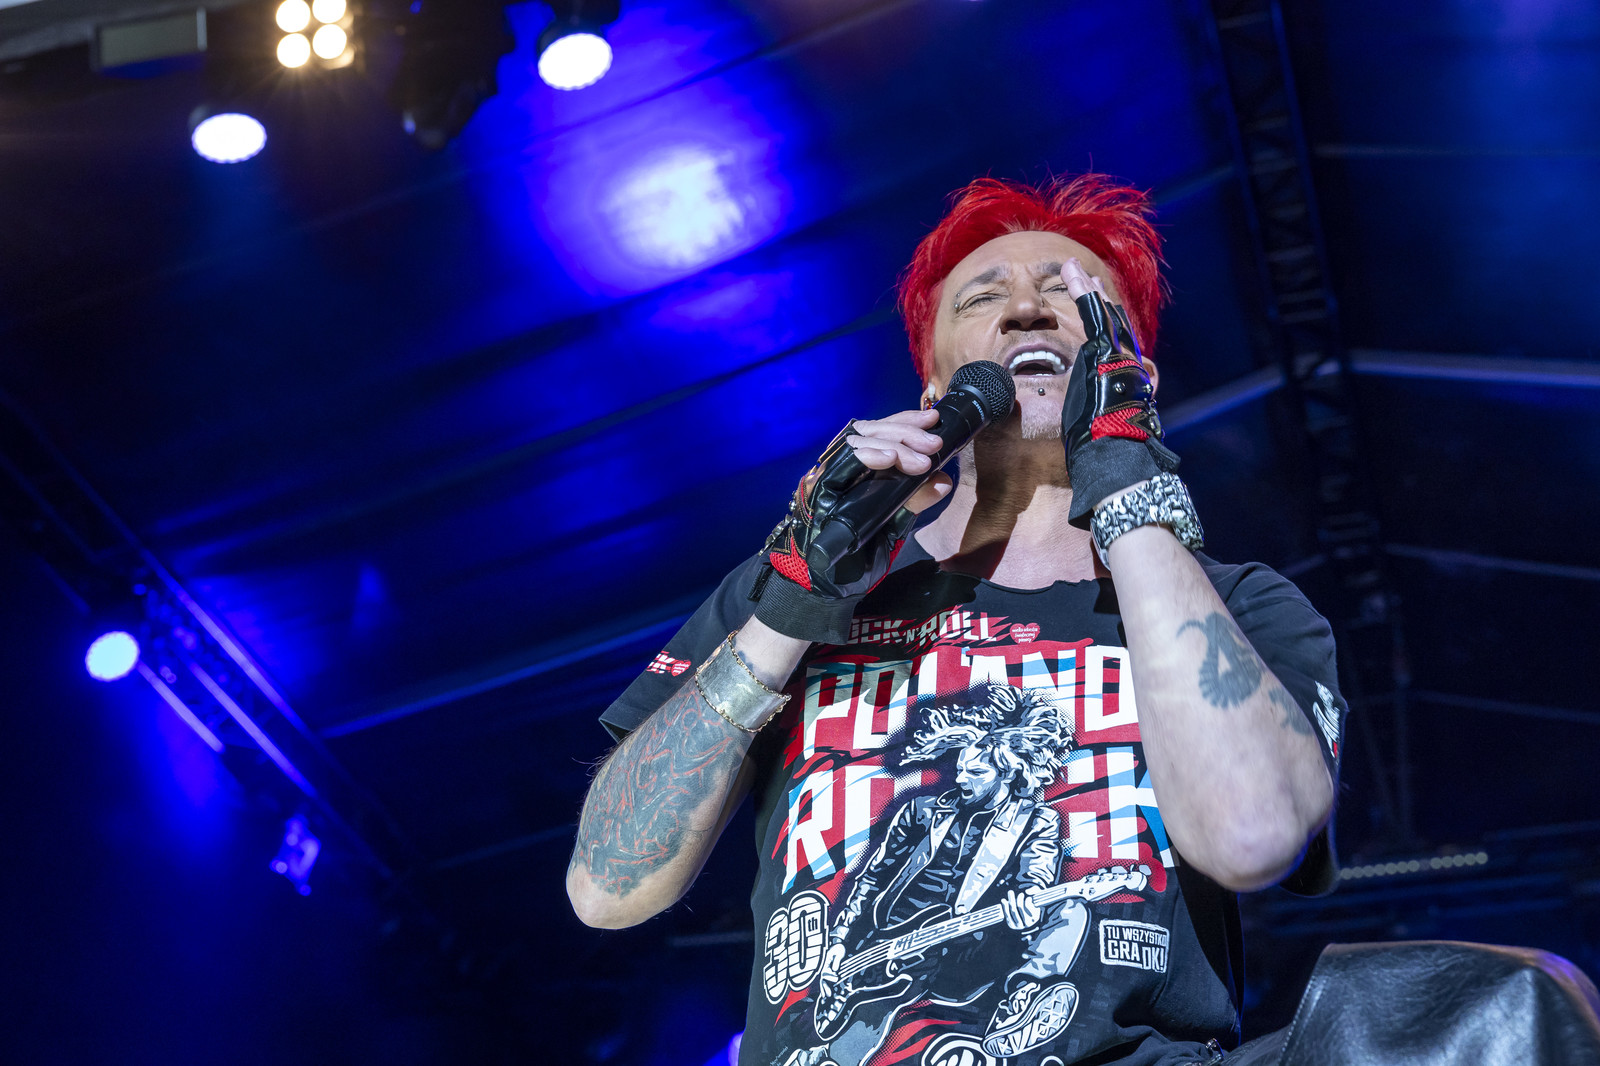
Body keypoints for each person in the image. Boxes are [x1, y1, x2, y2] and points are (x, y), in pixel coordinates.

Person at [567, 175, 1346, 1066]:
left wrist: (1128, 481)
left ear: (1137, 368)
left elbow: (1251, 837)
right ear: (936, 381)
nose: (1027, 310)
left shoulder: (1239, 606)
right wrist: (790, 602)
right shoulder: (795, 588)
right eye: (983, 298)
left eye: (1069, 292)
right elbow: (608, 885)